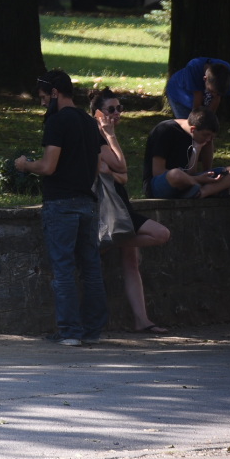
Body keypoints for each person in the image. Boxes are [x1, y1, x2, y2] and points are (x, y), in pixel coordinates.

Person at [14, 68, 109, 346]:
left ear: (55, 93)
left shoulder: (58, 121)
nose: (42, 102)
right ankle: (92, 331)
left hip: (61, 204)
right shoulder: (89, 122)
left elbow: (48, 166)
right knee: (91, 268)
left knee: (64, 268)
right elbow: (95, 166)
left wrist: (24, 165)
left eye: (44, 97)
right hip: (87, 203)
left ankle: (69, 332)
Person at [91, 89, 172, 333]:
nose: (117, 113)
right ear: (98, 114)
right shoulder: (98, 138)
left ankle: (142, 320)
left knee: (131, 261)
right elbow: (122, 166)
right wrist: (111, 137)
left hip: (120, 202)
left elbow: (123, 176)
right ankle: (109, 241)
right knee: (161, 234)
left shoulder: (106, 137)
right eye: (111, 109)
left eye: (119, 108)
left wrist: (112, 169)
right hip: (109, 205)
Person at [142, 109, 230, 199]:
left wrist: (200, 148)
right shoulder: (164, 130)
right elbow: (157, 172)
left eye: (212, 137)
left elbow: (205, 171)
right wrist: (198, 180)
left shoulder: (202, 140)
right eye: (206, 135)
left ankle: (202, 192)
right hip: (161, 183)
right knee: (176, 174)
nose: (208, 139)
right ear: (193, 129)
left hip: (190, 181)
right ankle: (210, 189)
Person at [163, 57, 230, 122]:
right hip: (179, 92)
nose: (214, 95)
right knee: (189, 124)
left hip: (198, 94)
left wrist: (208, 119)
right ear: (205, 79)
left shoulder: (225, 71)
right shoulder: (194, 67)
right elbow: (197, 105)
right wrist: (198, 121)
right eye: (212, 91)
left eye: (218, 93)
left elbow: (216, 98)